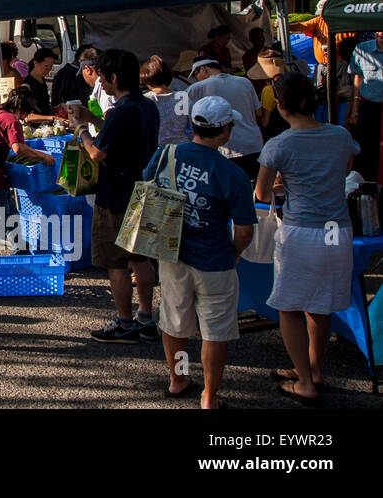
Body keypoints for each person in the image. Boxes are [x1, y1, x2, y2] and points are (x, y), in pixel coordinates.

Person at [148, 97, 256, 409]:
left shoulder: (166, 153)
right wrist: (235, 252)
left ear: (192, 125)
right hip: (215, 259)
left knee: (174, 322)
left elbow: (145, 186)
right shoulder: (232, 173)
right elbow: (246, 229)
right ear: (225, 130)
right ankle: (209, 395)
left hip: (171, 253)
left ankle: (178, 378)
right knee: (215, 331)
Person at [256, 72, 358, 405]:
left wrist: (286, 184)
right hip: (337, 231)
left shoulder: (279, 144)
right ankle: (313, 370)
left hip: (301, 230)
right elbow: (344, 170)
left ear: (281, 105)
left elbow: (261, 191)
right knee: (320, 305)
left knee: (290, 306)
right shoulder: (341, 135)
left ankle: (305, 382)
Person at [71, 48, 160, 344]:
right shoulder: (146, 106)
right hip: (144, 189)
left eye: (104, 78)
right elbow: (119, 132)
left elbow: (97, 153)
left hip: (116, 195)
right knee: (142, 257)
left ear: (112, 77)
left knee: (117, 262)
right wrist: (95, 121)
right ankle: (146, 318)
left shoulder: (121, 111)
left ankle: (124, 321)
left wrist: (82, 129)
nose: (102, 84)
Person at [0, 85, 55, 252]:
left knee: (11, 216)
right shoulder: (12, 120)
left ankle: (20, 250)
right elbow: (18, 148)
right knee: (0, 222)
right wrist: (43, 156)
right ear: (23, 108)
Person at [186, 57, 267, 178]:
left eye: (195, 75)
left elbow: (181, 116)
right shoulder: (245, 82)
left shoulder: (195, 89)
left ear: (203, 69)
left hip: (225, 149)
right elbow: (259, 113)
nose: (195, 79)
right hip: (253, 144)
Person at [347, 30, 383, 184]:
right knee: (367, 148)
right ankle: (368, 181)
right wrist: (354, 108)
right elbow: (357, 78)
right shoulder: (362, 49)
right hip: (370, 106)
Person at [143, 55, 191, 146]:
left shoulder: (146, 99)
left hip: (156, 150)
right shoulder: (182, 97)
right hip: (181, 148)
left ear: (146, 78)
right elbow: (193, 127)